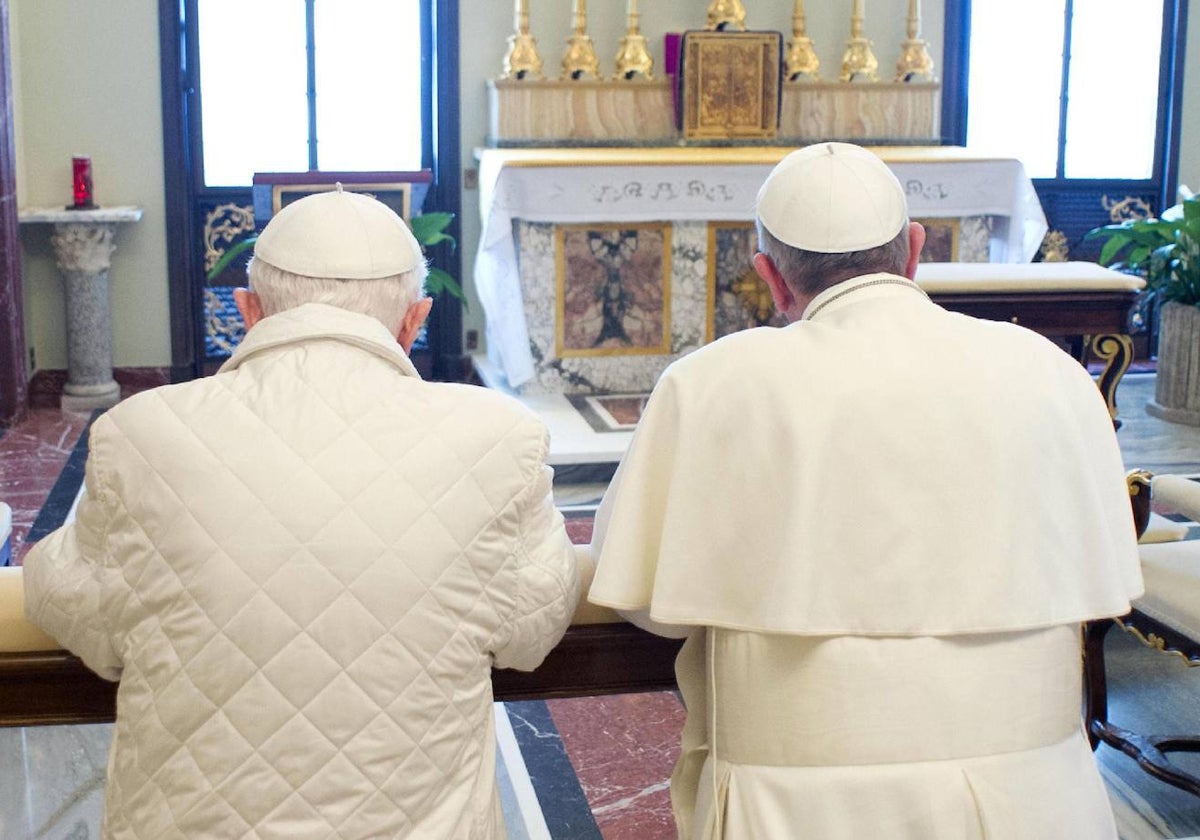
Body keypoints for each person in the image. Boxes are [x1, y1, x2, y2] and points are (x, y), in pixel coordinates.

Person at [587, 142, 1143, 839]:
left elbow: (642, 596)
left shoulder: (712, 384)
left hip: (792, 794)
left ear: (770, 276)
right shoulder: (1051, 374)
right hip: (1032, 793)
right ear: (914, 251)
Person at [23, 187, 580, 839]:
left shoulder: (140, 432)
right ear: (414, 320)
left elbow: (73, 604)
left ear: (249, 309)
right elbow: (531, 631)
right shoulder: (499, 438)